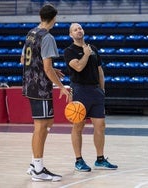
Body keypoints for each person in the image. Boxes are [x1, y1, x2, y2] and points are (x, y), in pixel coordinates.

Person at [21, 4, 71, 181]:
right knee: (41, 127)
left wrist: (48, 68)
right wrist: (62, 87)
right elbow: (47, 69)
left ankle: (34, 164)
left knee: (47, 121)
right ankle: (38, 169)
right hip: (40, 88)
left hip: (29, 83)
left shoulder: (31, 33)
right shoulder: (48, 37)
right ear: (54, 18)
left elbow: (23, 59)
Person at [63, 23, 118, 172]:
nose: (78, 31)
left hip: (95, 91)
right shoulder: (69, 51)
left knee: (100, 125)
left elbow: (100, 70)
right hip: (80, 90)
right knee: (78, 126)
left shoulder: (93, 48)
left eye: (80, 28)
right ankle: (78, 160)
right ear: (70, 35)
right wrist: (86, 54)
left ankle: (100, 159)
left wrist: (102, 90)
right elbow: (78, 67)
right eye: (75, 29)